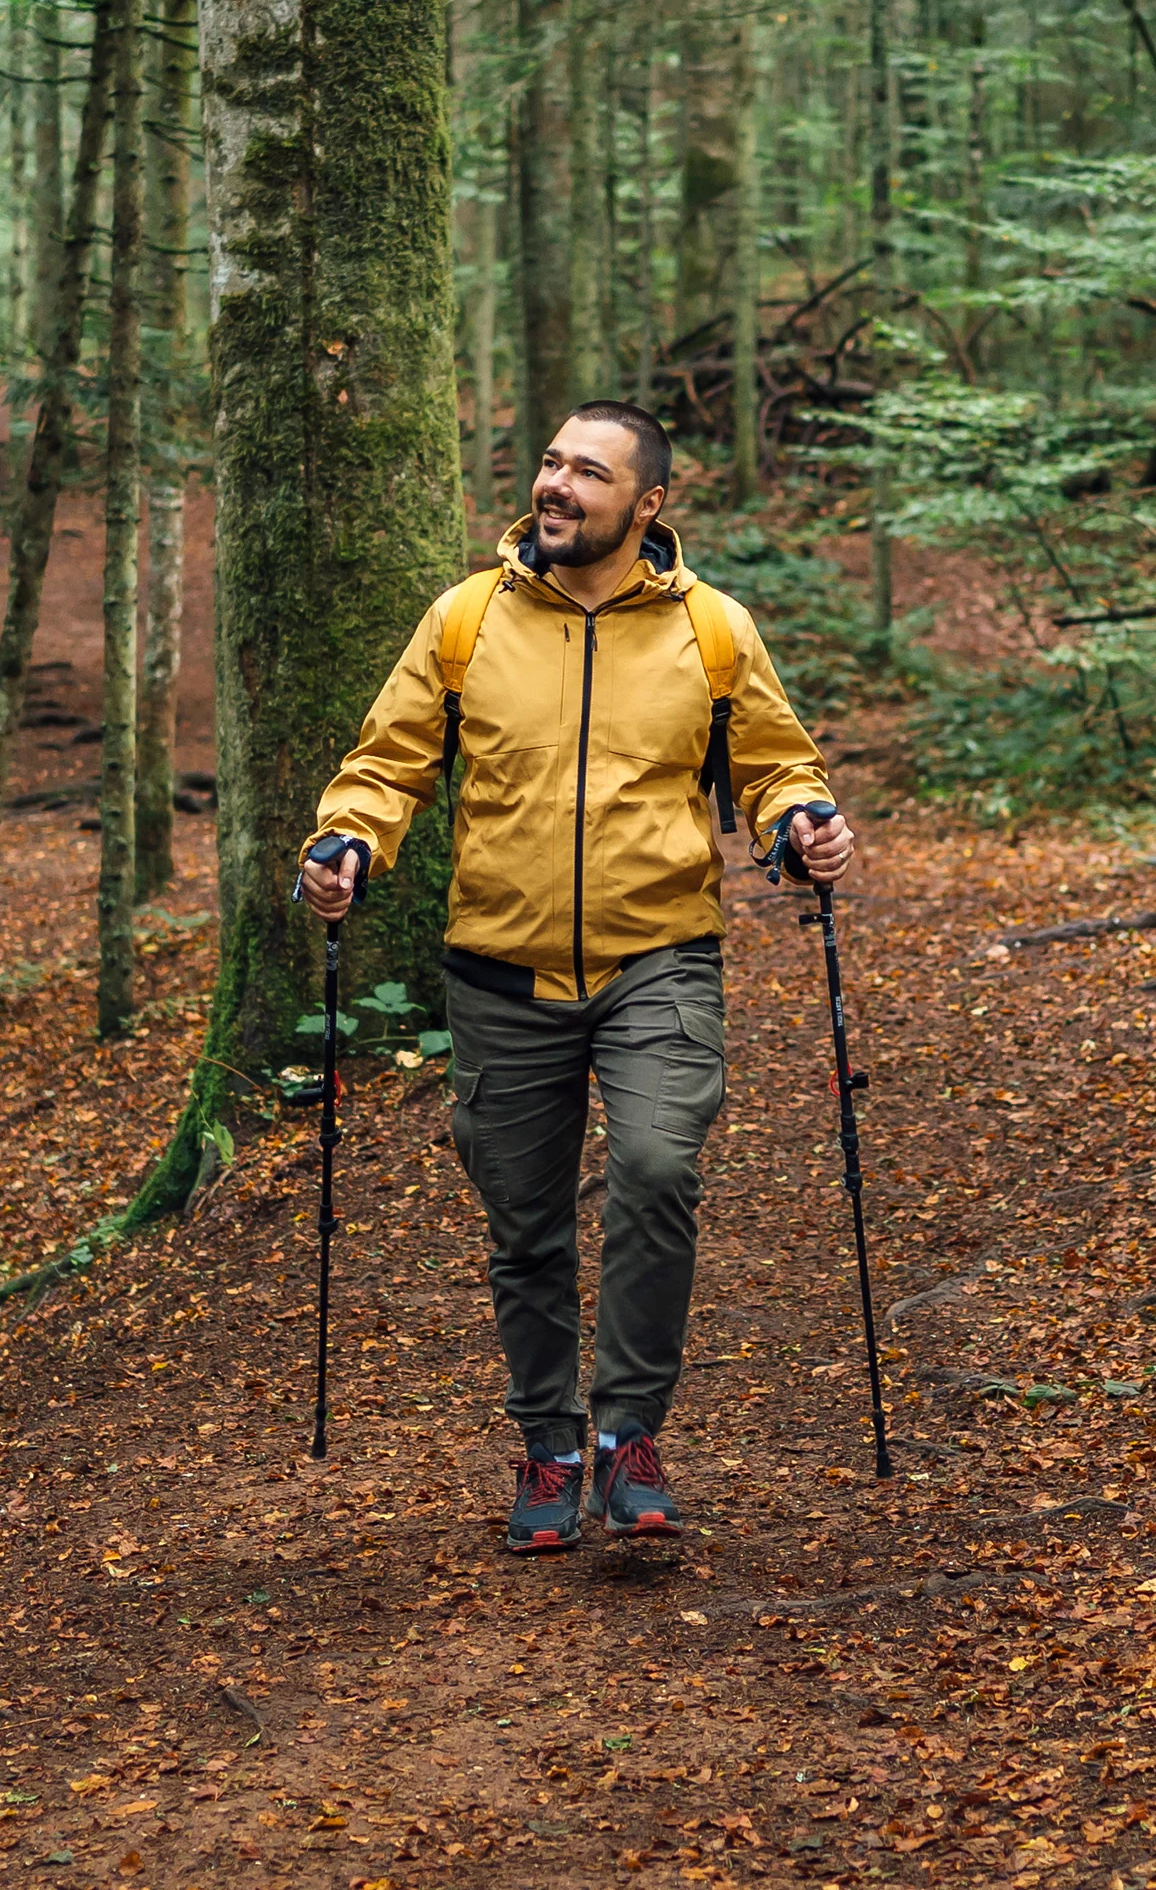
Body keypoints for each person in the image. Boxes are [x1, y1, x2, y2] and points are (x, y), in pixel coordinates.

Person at [298, 399, 855, 1551]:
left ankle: (629, 1436)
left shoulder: (710, 631)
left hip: (659, 959)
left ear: (646, 505)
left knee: (656, 1168)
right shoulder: (465, 621)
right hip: (500, 971)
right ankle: (550, 1442)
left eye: (586, 473)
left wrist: (803, 822)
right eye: (550, 463)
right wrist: (347, 839)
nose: (554, 485)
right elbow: (387, 760)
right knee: (526, 1226)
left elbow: (774, 763)